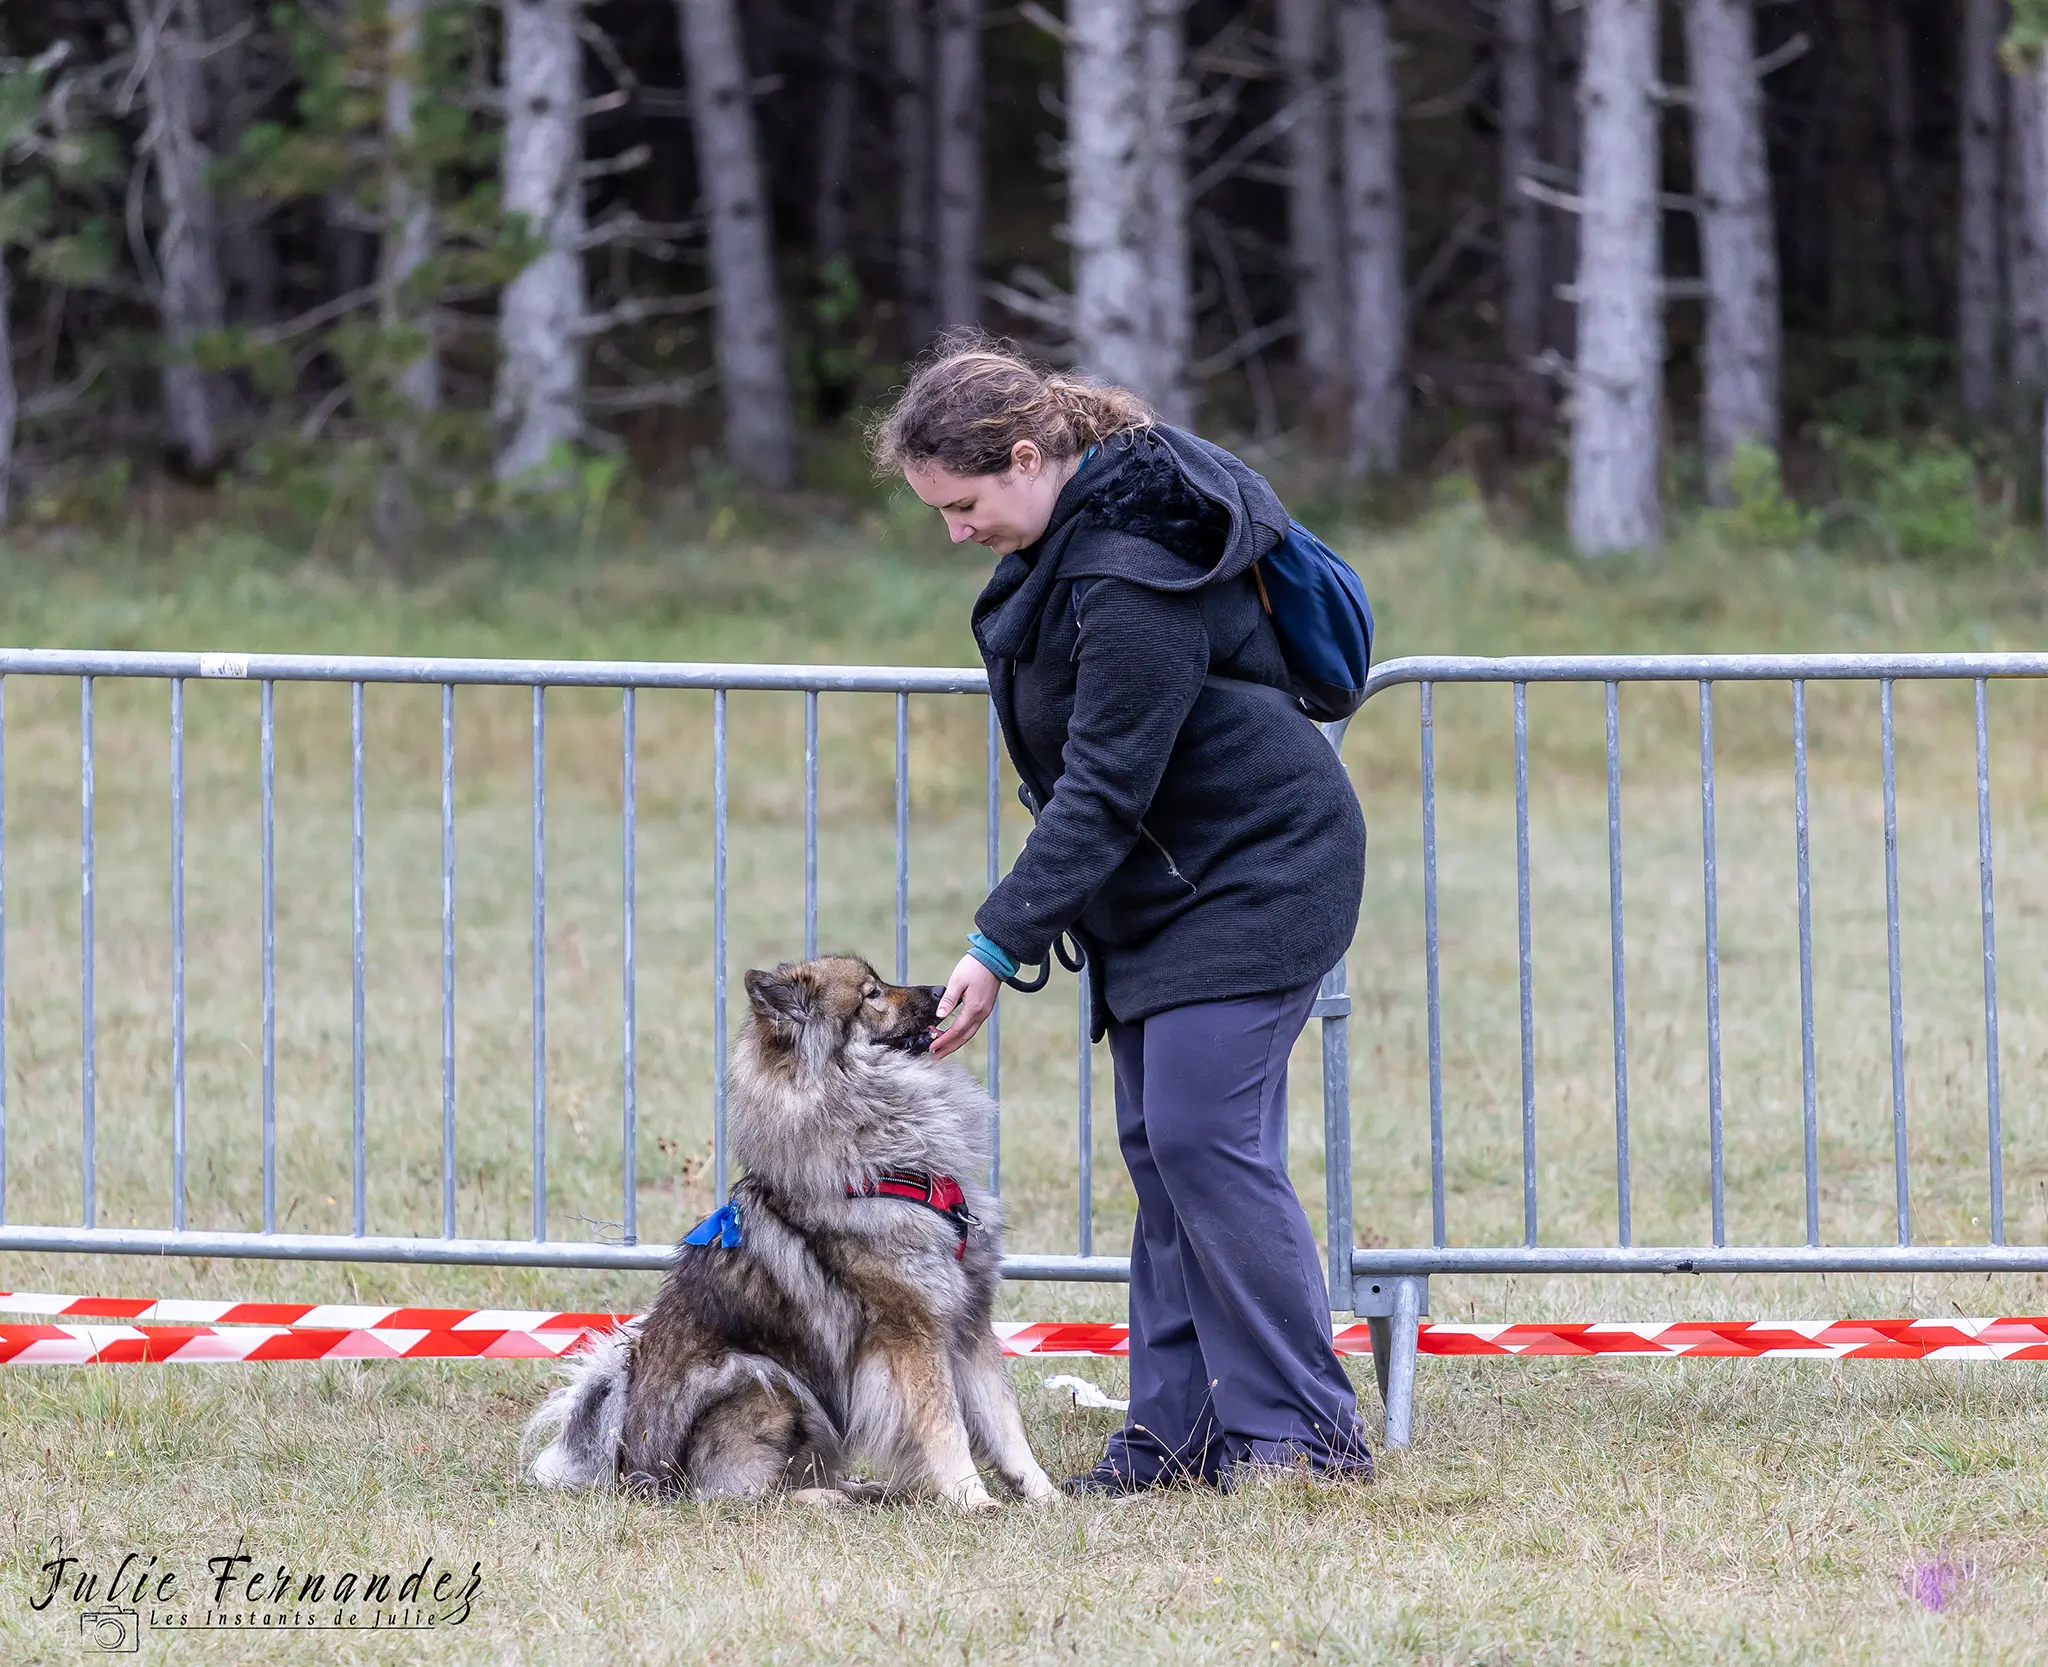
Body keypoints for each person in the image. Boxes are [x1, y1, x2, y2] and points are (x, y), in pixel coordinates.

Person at [870, 339, 1371, 1494]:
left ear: (1031, 456)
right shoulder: (1074, 544)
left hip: (1257, 872)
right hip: (1170, 883)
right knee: (1167, 1147)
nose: (954, 531)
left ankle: (1303, 1431)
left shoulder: (1128, 572)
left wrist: (994, 944)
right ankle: (1176, 1434)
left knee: (1202, 1137)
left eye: (962, 503)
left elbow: (1102, 788)